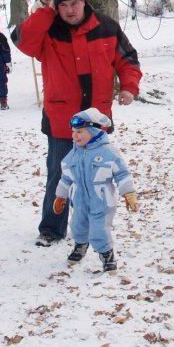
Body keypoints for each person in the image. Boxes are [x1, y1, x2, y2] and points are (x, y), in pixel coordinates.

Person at [13, 0, 142, 248]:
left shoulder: (107, 27)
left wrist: (129, 87)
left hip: (97, 123)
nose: (70, 10)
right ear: (56, 8)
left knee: (99, 179)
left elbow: (128, 59)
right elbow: (23, 40)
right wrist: (46, 13)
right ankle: (51, 229)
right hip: (62, 121)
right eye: (63, 5)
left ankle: (96, 227)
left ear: (84, 2)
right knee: (59, 175)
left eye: (74, 3)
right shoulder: (48, 32)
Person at [53, 107, 138, 274]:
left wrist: (129, 193)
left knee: (99, 228)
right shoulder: (75, 153)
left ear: (93, 130)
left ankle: (107, 254)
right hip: (79, 199)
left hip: (101, 199)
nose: (74, 135)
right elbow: (66, 177)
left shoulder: (108, 153)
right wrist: (60, 196)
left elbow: (122, 174)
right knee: (77, 225)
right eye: (73, 131)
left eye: (79, 131)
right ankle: (80, 246)